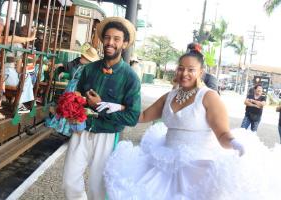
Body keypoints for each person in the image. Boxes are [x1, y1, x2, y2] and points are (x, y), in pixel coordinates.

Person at [103, 44, 281, 199]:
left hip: (195, 169)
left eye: (191, 69)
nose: (184, 73)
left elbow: (222, 134)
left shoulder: (209, 97)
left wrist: (234, 143)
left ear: (200, 72)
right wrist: (119, 108)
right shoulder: (169, 96)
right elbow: (142, 117)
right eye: (180, 68)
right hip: (163, 163)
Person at [62, 17, 141, 200]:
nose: (110, 43)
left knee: (98, 188)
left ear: (125, 44)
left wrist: (99, 106)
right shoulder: (88, 69)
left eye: (116, 39)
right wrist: (72, 110)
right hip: (81, 132)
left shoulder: (130, 78)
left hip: (107, 135)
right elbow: (78, 97)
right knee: (69, 182)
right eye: (107, 38)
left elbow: (132, 117)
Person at [46, 46, 99, 137]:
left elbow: (84, 81)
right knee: (65, 106)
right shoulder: (80, 66)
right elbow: (73, 75)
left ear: (88, 59)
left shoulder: (88, 69)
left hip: (77, 89)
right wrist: (65, 74)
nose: (81, 57)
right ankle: (61, 126)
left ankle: (68, 129)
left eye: (83, 56)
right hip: (70, 87)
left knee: (72, 108)